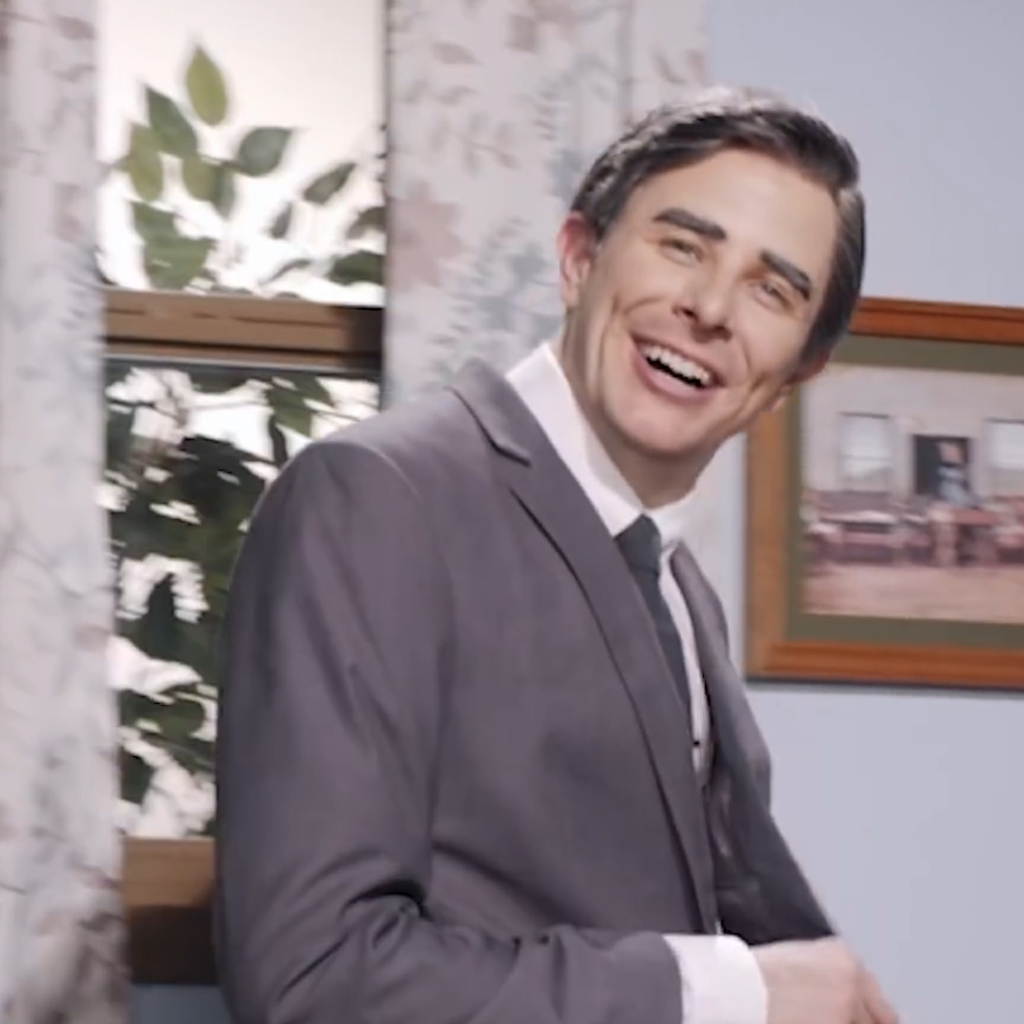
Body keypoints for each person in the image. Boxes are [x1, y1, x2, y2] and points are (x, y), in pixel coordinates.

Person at [215, 87, 899, 1024]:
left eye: (771, 290)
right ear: (579, 256)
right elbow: (312, 975)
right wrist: (730, 991)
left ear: (795, 375)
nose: (709, 307)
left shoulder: (679, 586)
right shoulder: (374, 497)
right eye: (682, 246)